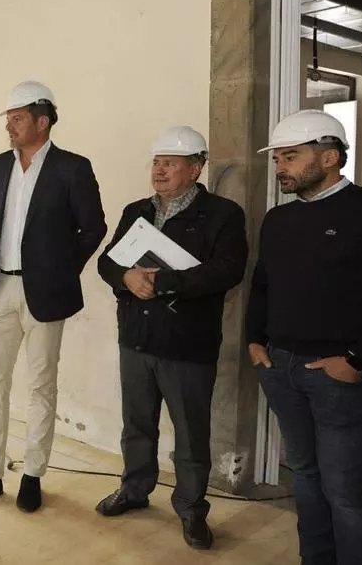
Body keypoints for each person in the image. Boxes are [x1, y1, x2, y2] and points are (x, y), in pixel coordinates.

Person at [248, 109, 362, 565]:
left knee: (347, 490)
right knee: (306, 476)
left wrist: (358, 360)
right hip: (281, 368)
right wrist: (255, 341)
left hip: (343, 377)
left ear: (330, 157)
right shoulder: (278, 219)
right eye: (277, 159)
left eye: (290, 156)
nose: (280, 167)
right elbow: (263, 284)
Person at [0, 80, 107, 512]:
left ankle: (33, 474)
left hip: (46, 294)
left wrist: (59, 270)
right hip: (0, 286)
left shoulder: (73, 168)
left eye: (17, 118)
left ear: (42, 121)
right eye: (8, 119)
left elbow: (93, 227)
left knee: (41, 385)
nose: (9, 126)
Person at [94, 126, 248, 550]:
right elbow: (108, 261)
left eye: (171, 163)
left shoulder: (223, 214)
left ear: (195, 169)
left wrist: (163, 283)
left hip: (187, 344)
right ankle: (134, 489)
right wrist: (126, 277)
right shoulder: (136, 211)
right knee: (136, 424)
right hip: (136, 339)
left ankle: (191, 508)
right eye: (157, 162)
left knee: (191, 434)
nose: (159, 171)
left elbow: (227, 270)